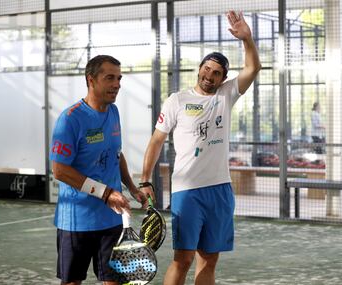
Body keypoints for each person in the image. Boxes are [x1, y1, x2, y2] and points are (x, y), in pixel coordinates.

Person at [139, 10, 261, 285]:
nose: (210, 75)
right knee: (182, 259)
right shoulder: (177, 100)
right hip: (187, 192)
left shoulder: (226, 95)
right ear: (199, 69)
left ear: (223, 78)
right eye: (207, 69)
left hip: (220, 190)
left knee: (209, 259)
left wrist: (247, 39)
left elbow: (253, 68)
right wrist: (145, 180)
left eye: (217, 73)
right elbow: (156, 140)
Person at [50, 55, 153, 285]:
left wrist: (133, 188)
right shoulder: (69, 119)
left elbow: (116, 154)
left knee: (114, 282)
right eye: (110, 78)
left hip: (111, 218)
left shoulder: (113, 112)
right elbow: (59, 170)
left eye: (119, 78)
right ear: (91, 80)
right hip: (76, 221)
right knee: (72, 282)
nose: (117, 84)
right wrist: (106, 193)